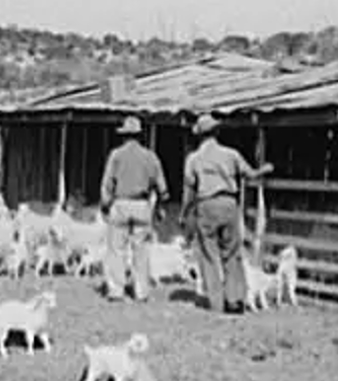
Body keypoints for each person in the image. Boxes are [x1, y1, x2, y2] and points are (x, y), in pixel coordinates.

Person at [180, 114, 274, 313]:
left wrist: (184, 212)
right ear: (216, 132)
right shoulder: (231, 154)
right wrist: (263, 169)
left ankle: (216, 303)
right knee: (232, 253)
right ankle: (235, 300)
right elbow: (250, 174)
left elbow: (189, 190)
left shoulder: (194, 159)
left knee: (209, 254)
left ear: (199, 136)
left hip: (206, 204)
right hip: (230, 203)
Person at [99, 115, 169, 302]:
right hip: (141, 205)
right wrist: (161, 204)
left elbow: (107, 183)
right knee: (141, 250)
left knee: (116, 249)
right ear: (140, 135)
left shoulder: (116, 155)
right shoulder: (150, 157)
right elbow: (162, 186)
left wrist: (105, 204)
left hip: (120, 203)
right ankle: (141, 291)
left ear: (124, 136)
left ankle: (116, 290)